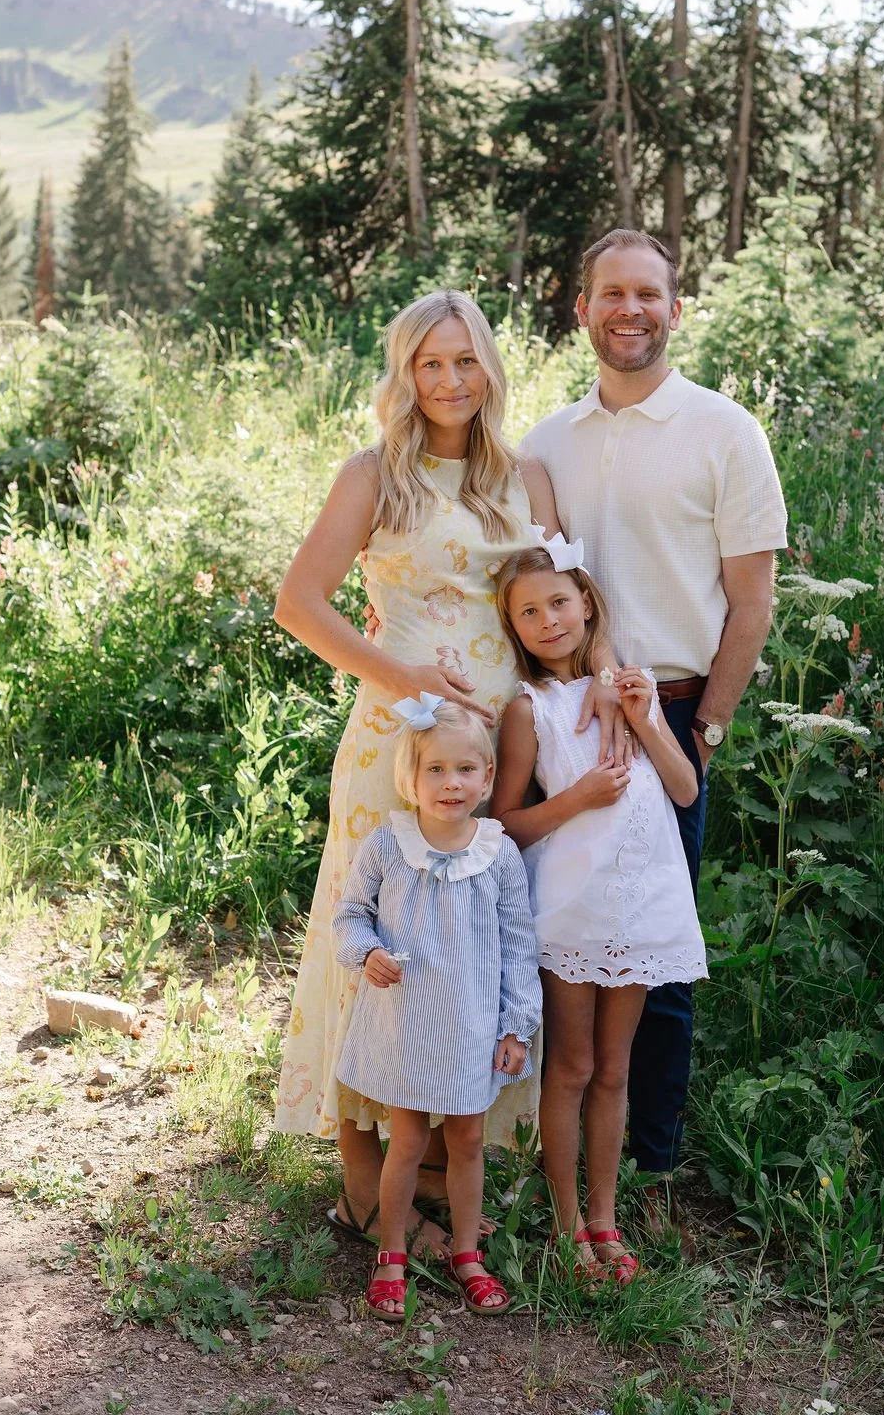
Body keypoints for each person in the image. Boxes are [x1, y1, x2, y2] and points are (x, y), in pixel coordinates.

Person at [273, 288, 562, 1259]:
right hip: (397, 749)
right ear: (404, 374)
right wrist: (399, 676)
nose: (448, 381)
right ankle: (361, 1192)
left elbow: (552, 602)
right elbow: (298, 603)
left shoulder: (525, 480)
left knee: (469, 950)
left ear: (489, 368)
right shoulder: (375, 475)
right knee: (386, 945)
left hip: (494, 759)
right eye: (428, 364)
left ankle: (440, 1174)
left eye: (464, 361)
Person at [518, 229, 787, 1235]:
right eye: (609, 294)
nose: (628, 310)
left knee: (654, 952)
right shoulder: (546, 441)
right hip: (561, 720)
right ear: (580, 309)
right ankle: (551, 1160)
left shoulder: (725, 432)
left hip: (672, 711)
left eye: (648, 294)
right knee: (557, 933)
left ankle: (652, 1169)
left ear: (677, 308)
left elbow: (751, 600)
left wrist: (707, 724)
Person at [490, 540, 706, 1282]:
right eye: (528, 612)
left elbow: (684, 791)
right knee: (573, 1065)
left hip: (643, 903)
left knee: (616, 1068)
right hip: (573, 908)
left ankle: (606, 1219)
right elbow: (505, 823)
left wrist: (646, 720)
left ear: (587, 603)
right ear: (513, 629)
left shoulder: (631, 689)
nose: (547, 620)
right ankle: (563, 1224)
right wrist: (574, 799)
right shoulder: (530, 710)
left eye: (558, 602)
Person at [333, 698, 541, 1320]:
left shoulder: (498, 855)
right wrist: (366, 952)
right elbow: (349, 917)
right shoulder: (388, 846)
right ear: (411, 778)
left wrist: (516, 1025)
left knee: (468, 1141)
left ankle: (467, 1253)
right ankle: (391, 1254)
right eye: (436, 771)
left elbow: (518, 945)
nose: (452, 783)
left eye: (467, 770)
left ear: (486, 776)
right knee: (407, 1140)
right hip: (404, 1024)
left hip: (472, 1027)